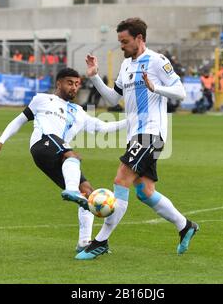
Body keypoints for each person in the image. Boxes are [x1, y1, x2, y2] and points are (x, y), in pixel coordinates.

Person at [80, 17, 199, 260]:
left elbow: (181, 92)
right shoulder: (125, 66)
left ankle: (100, 241)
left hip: (151, 133)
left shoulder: (157, 61)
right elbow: (114, 100)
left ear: (139, 39)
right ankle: (185, 225)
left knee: (120, 179)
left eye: (125, 42)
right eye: (120, 42)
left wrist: (156, 88)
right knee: (145, 191)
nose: (121, 46)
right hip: (136, 134)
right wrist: (94, 77)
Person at [0, 68, 126, 252]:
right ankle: (70, 190)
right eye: (70, 83)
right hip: (42, 144)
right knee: (72, 155)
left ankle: (83, 242)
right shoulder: (41, 99)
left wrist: (131, 121)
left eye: (77, 84)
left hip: (60, 155)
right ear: (58, 83)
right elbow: (19, 120)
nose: (74, 87)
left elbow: (104, 127)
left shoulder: (79, 112)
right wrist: (0, 141)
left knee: (88, 194)